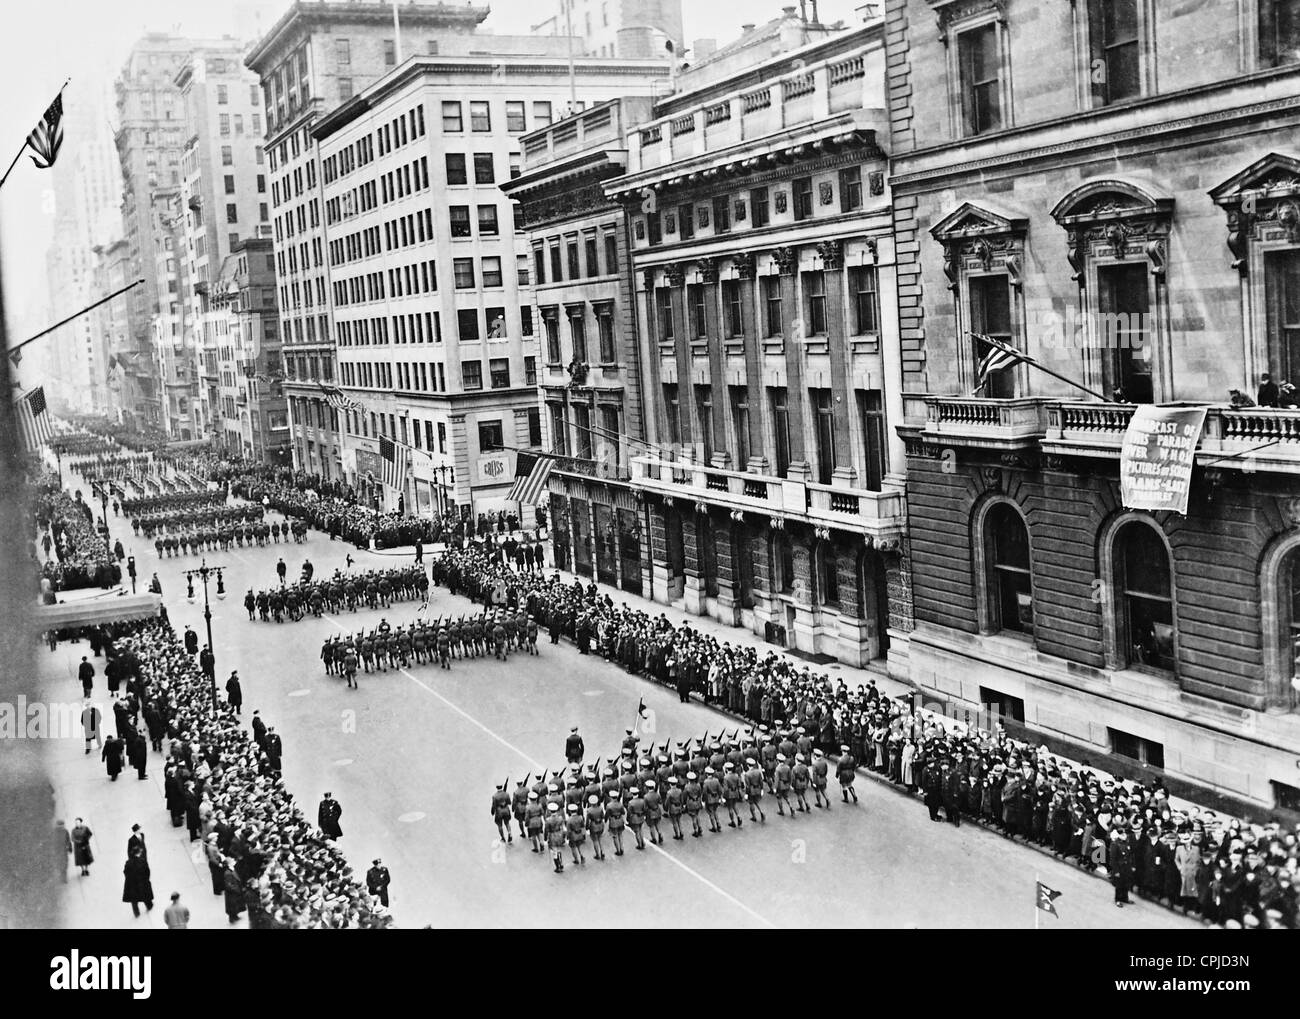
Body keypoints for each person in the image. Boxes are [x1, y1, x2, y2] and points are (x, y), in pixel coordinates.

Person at [122, 846, 153, 918]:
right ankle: (149, 906)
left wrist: (130, 879)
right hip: (142, 882)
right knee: (145, 895)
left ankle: (136, 913)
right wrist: (146, 880)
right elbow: (147, 872)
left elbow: (125, 872)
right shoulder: (142, 861)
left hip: (132, 884)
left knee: (134, 899)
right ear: (138, 853)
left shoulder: (128, 862)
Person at [1111, 827, 1135, 907]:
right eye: (1122, 834)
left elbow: (1131, 855)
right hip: (1119, 867)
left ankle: (1125, 898)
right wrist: (1116, 871)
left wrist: (1132, 866)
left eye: (1125, 834)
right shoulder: (1115, 844)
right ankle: (1117, 899)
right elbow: (1113, 859)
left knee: (1126, 883)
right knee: (1119, 885)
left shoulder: (1127, 842)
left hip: (1127, 867)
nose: (1124, 835)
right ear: (1119, 835)